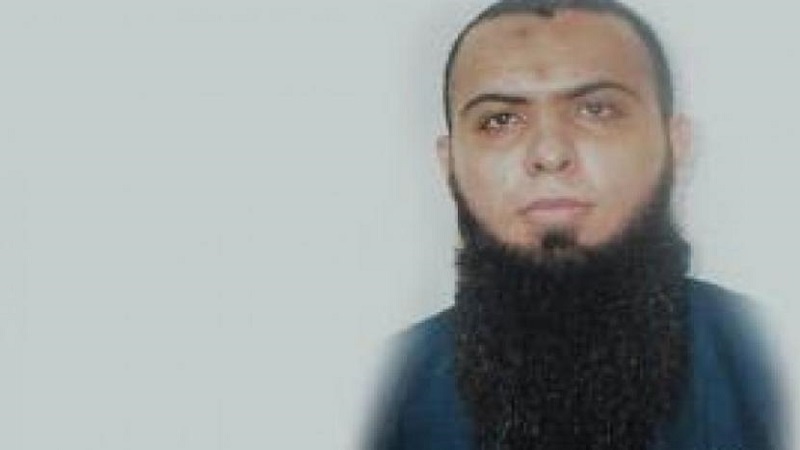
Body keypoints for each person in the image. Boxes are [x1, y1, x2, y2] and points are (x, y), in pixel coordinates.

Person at [366, 0, 784, 449]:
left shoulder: (772, 365)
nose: (550, 153)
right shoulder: (383, 396)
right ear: (449, 163)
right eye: (500, 120)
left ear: (675, 145)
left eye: (597, 110)